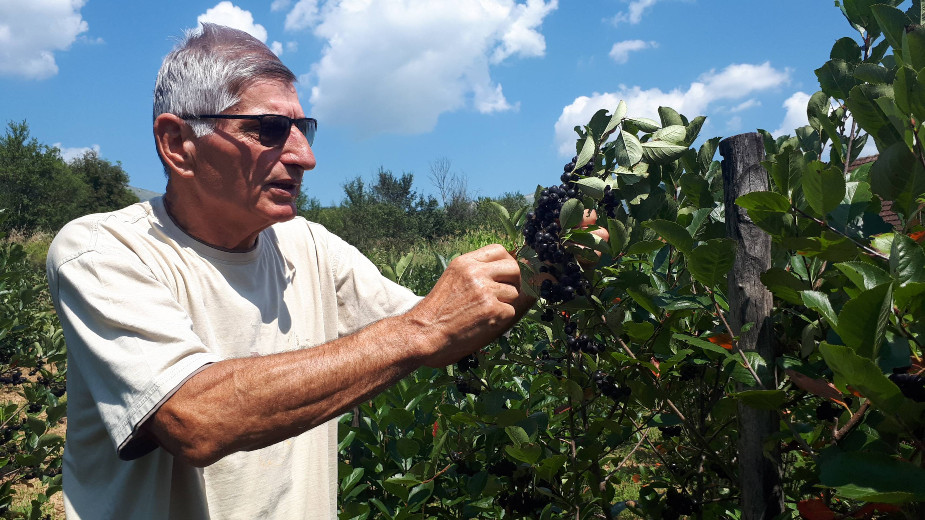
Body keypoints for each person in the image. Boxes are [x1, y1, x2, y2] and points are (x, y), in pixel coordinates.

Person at [46, 23, 532, 519]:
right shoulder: (104, 251)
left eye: (305, 129)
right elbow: (194, 418)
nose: (305, 157)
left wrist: (549, 263)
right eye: (271, 129)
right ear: (178, 143)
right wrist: (424, 329)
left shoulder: (309, 246)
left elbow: (449, 328)